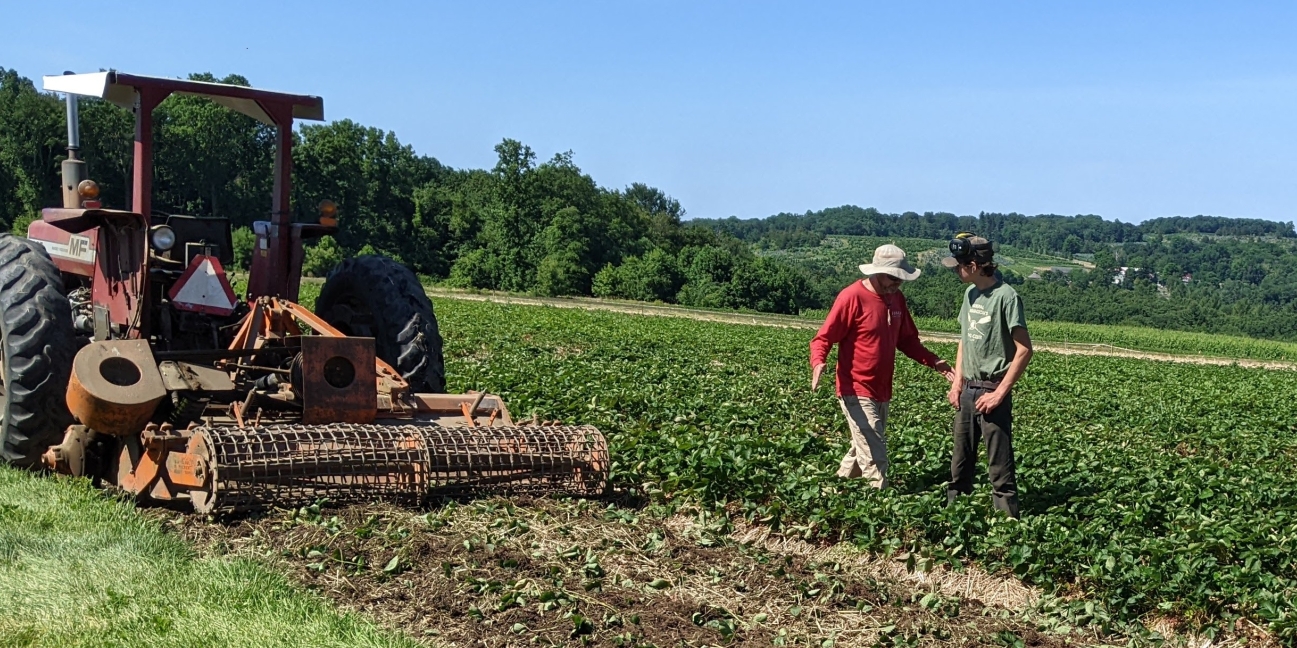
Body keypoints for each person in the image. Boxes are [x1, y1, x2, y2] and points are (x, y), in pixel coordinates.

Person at [810, 244, 954, 489]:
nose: (897, 282)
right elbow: (823, 337)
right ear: (876, 272)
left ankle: (833, 494)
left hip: (882, 388)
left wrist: (935, 361)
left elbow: (907, 340)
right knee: (875, 452)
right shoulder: (851, 297)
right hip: (854, 387)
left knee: (863, 445)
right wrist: (818, 361)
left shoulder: (896, 298)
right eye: (892, 277)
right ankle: (880, 505)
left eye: (901, 278)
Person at [941, 234, 1033, 518]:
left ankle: (1007, 529)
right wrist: (957, 383)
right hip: (967, 390)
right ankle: (955, 520)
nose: (956, 269)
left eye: (958, 265)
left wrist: (999, 393)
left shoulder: (1006, 297)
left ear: (973, 265)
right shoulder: (969, 295)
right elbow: (964, 340)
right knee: (959, 465)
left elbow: (1024, 350)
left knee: (1000, 469)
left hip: (992, 390)